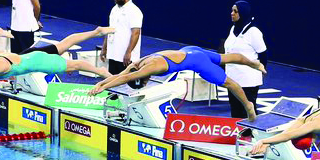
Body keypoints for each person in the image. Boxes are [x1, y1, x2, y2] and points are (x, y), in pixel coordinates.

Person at [0, 27, 116, 114]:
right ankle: (96, 32)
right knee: (62, 45)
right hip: (30, 55)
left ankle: (102, 72)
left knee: (74, 65)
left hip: (39, 62)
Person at [88, 46, 266, 121]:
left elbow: (124, 79)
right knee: (228, 58)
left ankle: (248, 106)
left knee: (230, 84)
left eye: (143, 83)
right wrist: (101, 84)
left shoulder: (148, 69)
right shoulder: (137, 64)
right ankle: (255, 63)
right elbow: (120, 75)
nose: (146, 82)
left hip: (197, 62)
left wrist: (102, 87)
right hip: (189, 51)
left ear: (142, 79)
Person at [224, 1, 266, 119]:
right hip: (232, 79)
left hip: (248, 81)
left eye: (235, 11)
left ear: (243, 13)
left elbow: (263, 54)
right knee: (235, 109)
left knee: (248, 111)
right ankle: (238, 135)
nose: (232, 13)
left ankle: (253, 135)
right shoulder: (233, 29)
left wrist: (261, 70)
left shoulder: (254, 32)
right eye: (232, 10)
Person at [102, 0, 143, 77]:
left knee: (125, 84)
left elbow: (136, 33)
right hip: (113, 54)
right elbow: (109, 30)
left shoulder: (135, 11)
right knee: (112, 81)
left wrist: (128, 53)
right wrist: (104, 48)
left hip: (126, 57)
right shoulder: (114, 9)